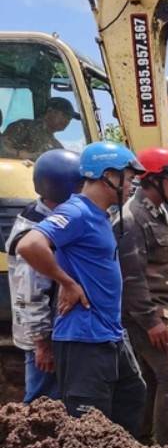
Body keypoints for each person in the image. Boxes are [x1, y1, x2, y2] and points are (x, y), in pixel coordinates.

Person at [17, 142, 147, 437]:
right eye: (127, 177)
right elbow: (29, 245)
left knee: (132, 397)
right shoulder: (76, 211)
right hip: (83, 339)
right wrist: (68, 282)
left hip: (109, 334)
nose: (131, 184)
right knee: (89, 429)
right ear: (107, 176)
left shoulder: (100, 216)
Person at [118, 147, 168, 445]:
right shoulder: (133, 218)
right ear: (151, 180)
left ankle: (144, 443)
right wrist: (151, 321)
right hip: (150, 312)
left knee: (153, 379)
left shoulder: (160, 212)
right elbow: (132, 277)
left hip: (164, 310)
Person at [6, 149, 83, 403]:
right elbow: (30, 293)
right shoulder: (33, 232)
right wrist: (42, 343)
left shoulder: (47, 217)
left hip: (51, 330)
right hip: (43, 334)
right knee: (42, 403)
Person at [3, 97, 79, 160]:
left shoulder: (57, 147)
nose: (67, 121)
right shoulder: (24, 126)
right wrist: (21, 154)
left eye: (69, 118)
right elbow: (2, 149)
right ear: (50, 111)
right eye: (64, 115)